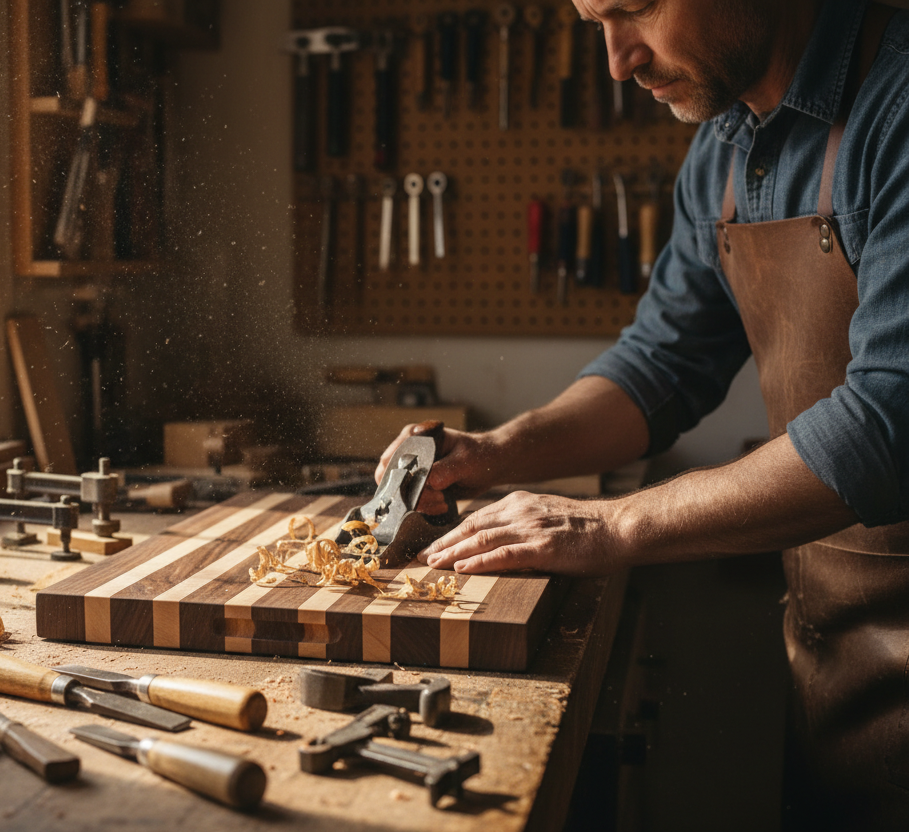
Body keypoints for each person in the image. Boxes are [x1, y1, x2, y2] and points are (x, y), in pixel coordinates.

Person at [375, 1, 909, 829]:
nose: (618, 60)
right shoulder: (725, 147)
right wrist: (489, 452)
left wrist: (605, 529)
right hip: (836, 667)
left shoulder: (899, 103)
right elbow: (661, 365)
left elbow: (888, 424)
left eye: (634, 9)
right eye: (596, 21)